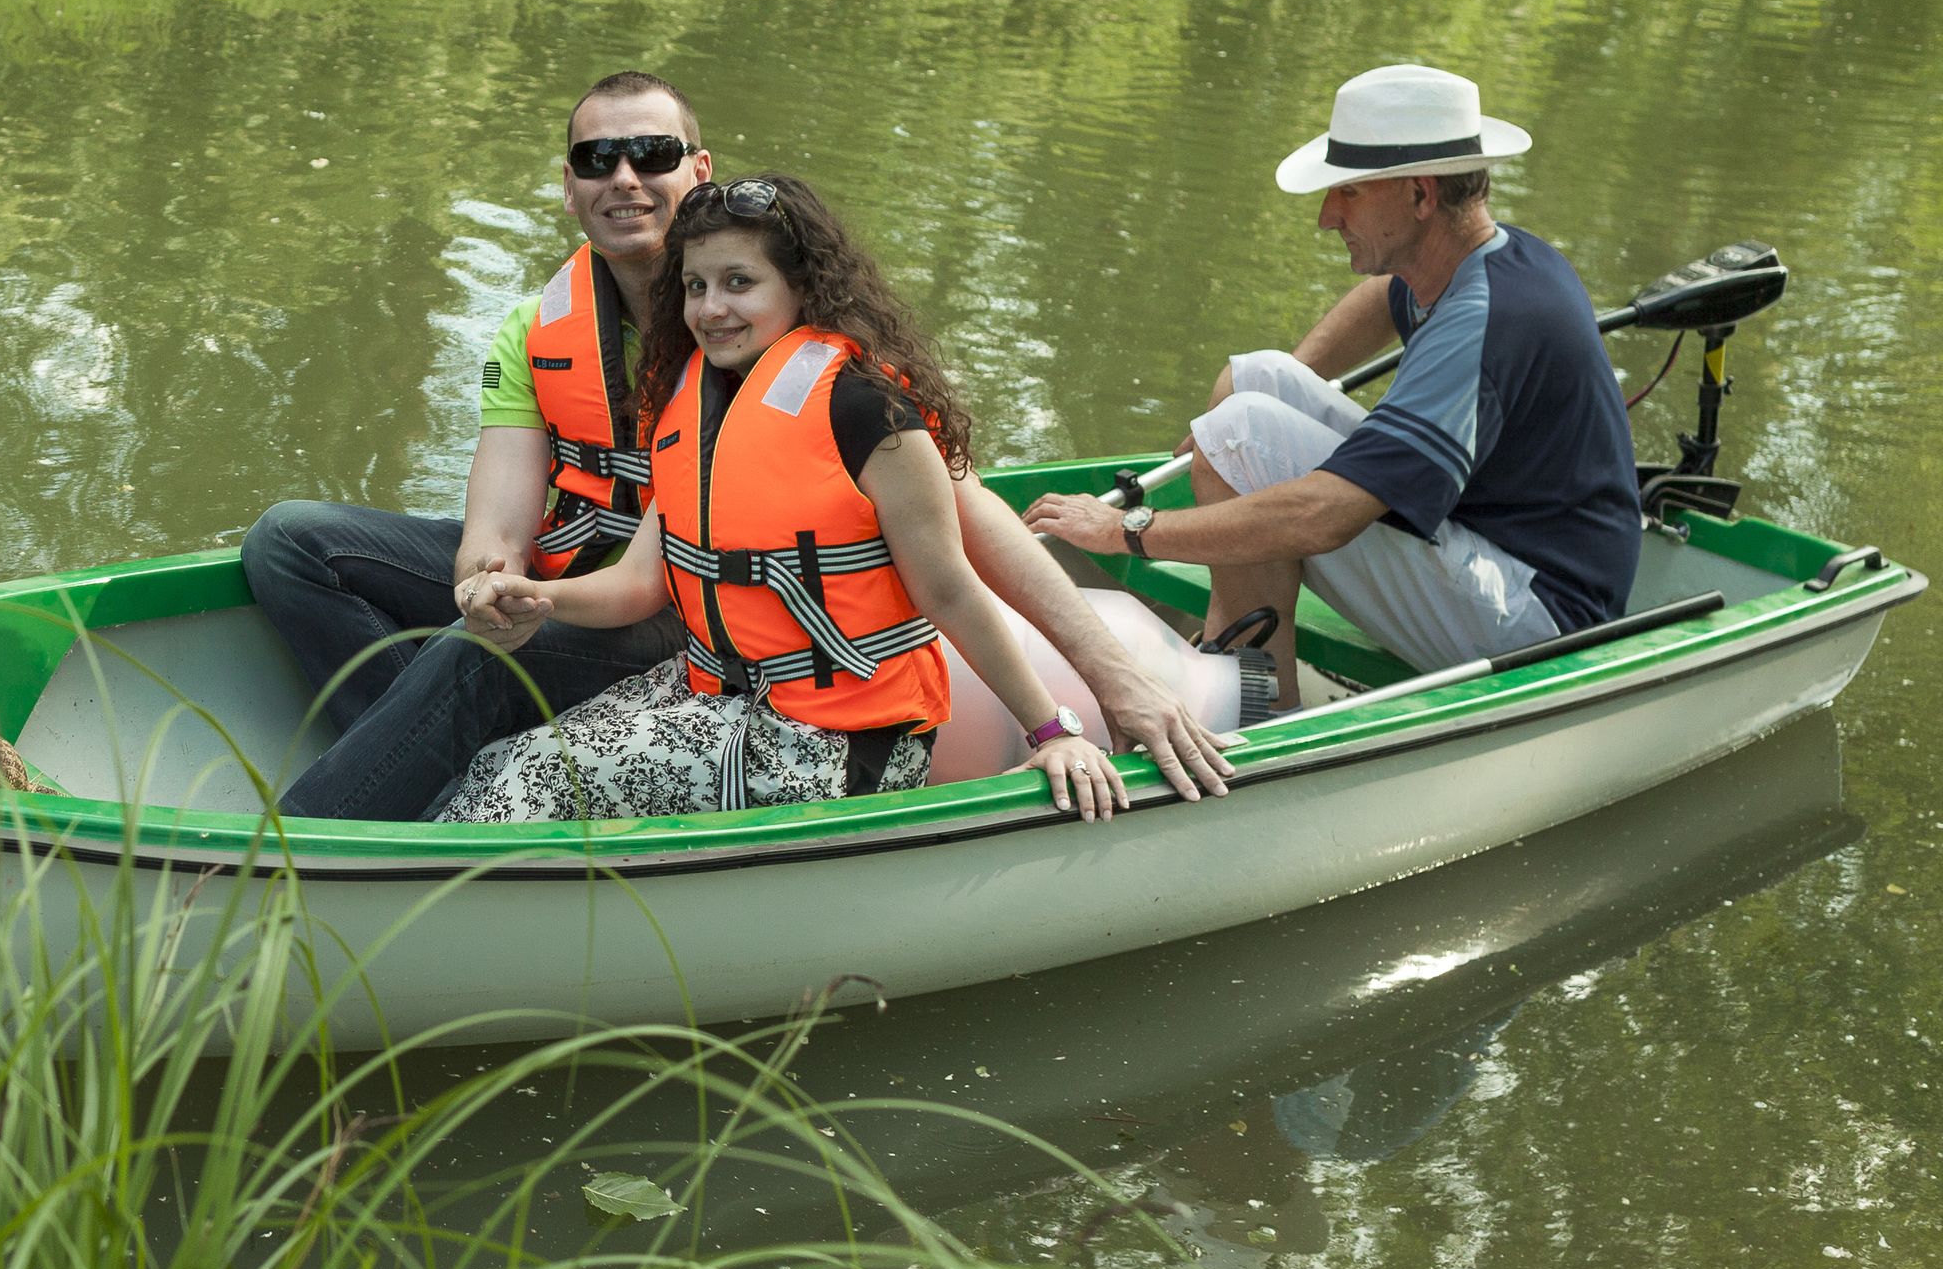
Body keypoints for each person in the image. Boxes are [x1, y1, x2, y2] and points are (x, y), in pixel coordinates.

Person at [246, 73, 1232, 819]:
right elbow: (500, 525)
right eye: (597, 161)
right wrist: (497, 587)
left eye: (652, 156)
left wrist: (1101, 686)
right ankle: (417, 766)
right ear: (568, 186)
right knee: (293, 543)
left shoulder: (810, 373)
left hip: (735, 640)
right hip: (608, 588)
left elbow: (960, 553)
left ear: (697, 172)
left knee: (469, 669)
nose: (624, 179)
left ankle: (321, 844)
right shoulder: (573, 340)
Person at [434, 176, 1127, 824]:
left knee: (526, 776)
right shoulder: (697, 403)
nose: (711, 309)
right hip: (719, 692)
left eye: (740, 283)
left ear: (801, 285)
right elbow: (638, 584)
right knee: (502, 756)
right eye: (695, 285)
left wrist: (1051, 731)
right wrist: (535, 597)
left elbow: (950, 592)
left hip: (836, 743)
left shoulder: (866, 411)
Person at [1025, 64, 1640, 697]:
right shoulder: (1478, 258)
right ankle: (1244, 657)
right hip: (1492, 545)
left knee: (1240, 434)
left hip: (1545, 622)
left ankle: (1258, 704)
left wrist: (1128, 532)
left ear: (1422, 196)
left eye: (1348, 193)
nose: (1326, 216)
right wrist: (1275, 406)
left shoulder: (1482, 320)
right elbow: (1382, 297)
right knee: (1251, 382)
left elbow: (1329, 518)